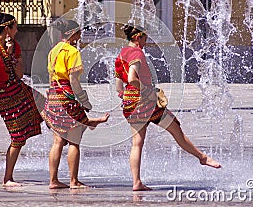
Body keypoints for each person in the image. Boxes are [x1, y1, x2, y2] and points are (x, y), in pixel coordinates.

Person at [115, 24, 221, 191]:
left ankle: (136, 182)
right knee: (176, 130)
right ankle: (202, 157)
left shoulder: (121, 54)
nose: (146, 42)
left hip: (129, 103)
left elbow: (118, 86)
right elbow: (132, 78)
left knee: (137, 143)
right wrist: (149, 91)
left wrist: (125, 96)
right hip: (145, 102)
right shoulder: (137, 53)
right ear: (137, 38)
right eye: (144, 38)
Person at [41, 19, 109, 189]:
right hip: (66, 96)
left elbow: (51, 77)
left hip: (54, 95)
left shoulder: (53, 51)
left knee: (57, 141)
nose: (80, 36)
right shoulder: (72, 52)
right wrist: (83, 100)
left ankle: (53, 180)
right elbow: (73, 80)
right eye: (78, 33)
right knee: (74, 141)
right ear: (71, 34)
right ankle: (73, 181)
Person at [0, 13, 43, 187]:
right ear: (7, 28)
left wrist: (11, 55)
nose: (17, 30)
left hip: (19, 89)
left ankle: (63, 136)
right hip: (4, 96)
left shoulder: (14, 45)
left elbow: (20, 74)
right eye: (15, 27)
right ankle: (7, 178)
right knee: (18, 137)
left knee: (46, 105)